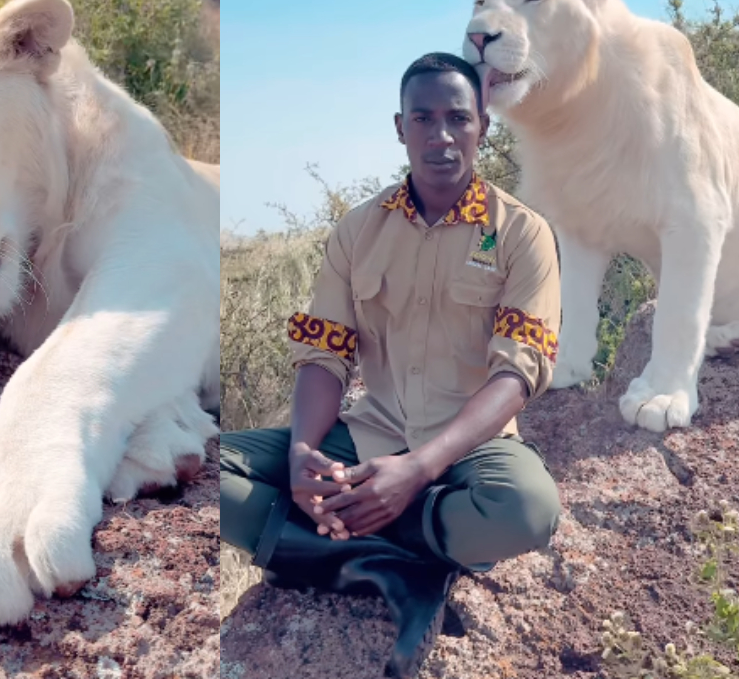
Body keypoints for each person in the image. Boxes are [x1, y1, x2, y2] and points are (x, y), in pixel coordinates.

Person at [219, 53, 563, 677]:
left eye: (458, 118)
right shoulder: (358, 231)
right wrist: (302, 452)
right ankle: (396, 563)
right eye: (423, 118)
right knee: (209, 476)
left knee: (528, 511)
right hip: (368, 435)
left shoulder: (521, 233)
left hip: (465, 453)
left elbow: (517, 374)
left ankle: (348, 538)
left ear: (484, 125)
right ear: (399, 126)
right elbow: (325, 354)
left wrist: (417, 471)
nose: (441, 135)